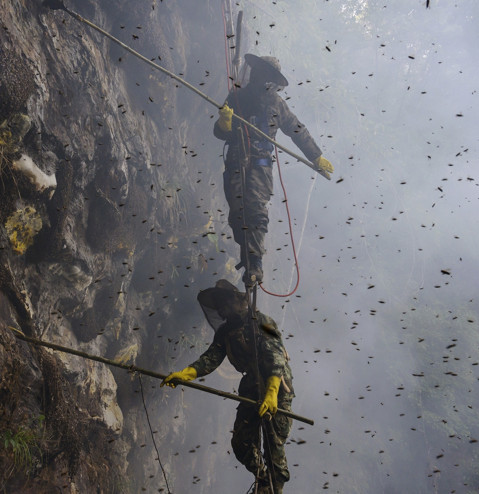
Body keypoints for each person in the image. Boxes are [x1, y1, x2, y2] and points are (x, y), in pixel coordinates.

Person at [162, 279, 295, 493]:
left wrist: (271, 393)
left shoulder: (263, 321)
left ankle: (274, 488)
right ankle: (261, 478)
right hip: (251, 385)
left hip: (278, 385)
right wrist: (185, 374)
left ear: (236, 299)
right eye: (218, 305)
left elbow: (276, 355)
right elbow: (210, 358)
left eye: (224, 302)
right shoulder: (224, 333)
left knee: (274, 443)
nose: (222, 308)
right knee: (241, 442)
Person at [214, 54, 334, 286]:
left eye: (269, 76)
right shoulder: (237, 97)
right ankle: (247, 258)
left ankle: (255, 264)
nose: (263, 79)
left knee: (256, 209)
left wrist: (316, 155)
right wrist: (224, 123)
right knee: (238, 211)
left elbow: (297, 130)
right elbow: (220, 133)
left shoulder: (278, 105)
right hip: (236, 161)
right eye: (261, 73)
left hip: (260, 165)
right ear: (255, 72)